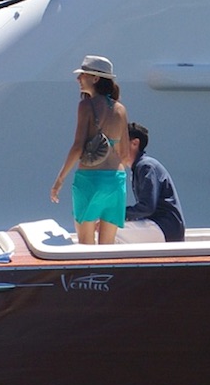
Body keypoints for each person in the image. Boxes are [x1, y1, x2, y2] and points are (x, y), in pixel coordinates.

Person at [51, 54, 130, 244]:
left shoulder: (85, 106)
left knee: (86, 244)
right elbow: (125, 154)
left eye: (83, 75)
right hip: (116, 182)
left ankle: (90, 275)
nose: (78, 79)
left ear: (95, 78)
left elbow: (78, 147)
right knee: (108, 247)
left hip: (90, 181)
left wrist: (59, 181)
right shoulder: (120, 109)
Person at [120, 121, 185, 243]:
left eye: (119, 141)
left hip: (165, 227)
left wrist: (116, 215)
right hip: (162, 226)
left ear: (134, 143)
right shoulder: (140, 167)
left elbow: (146, 207)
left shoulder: (146, 166)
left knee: (111, 232)